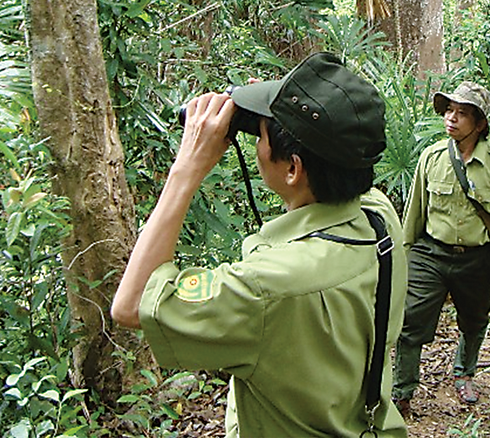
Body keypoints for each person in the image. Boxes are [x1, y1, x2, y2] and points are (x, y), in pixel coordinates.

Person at [111, 52, 408, 438]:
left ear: (293, 168)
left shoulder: (266, 289)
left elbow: (131, 305)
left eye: (262, 137)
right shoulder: (380, 216)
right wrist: (277, 110)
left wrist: (187, 167)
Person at [392, 81, 490, 415]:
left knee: (474, 319)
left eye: (462, 113)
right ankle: (403, 392)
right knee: (411, 321)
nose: (452, 119)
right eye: (449, 111)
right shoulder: (432, 157)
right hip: (430, 255)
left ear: (480, 123)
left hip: (477, 258)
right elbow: (414, 213)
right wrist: (402, 256)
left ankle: (464, 373)